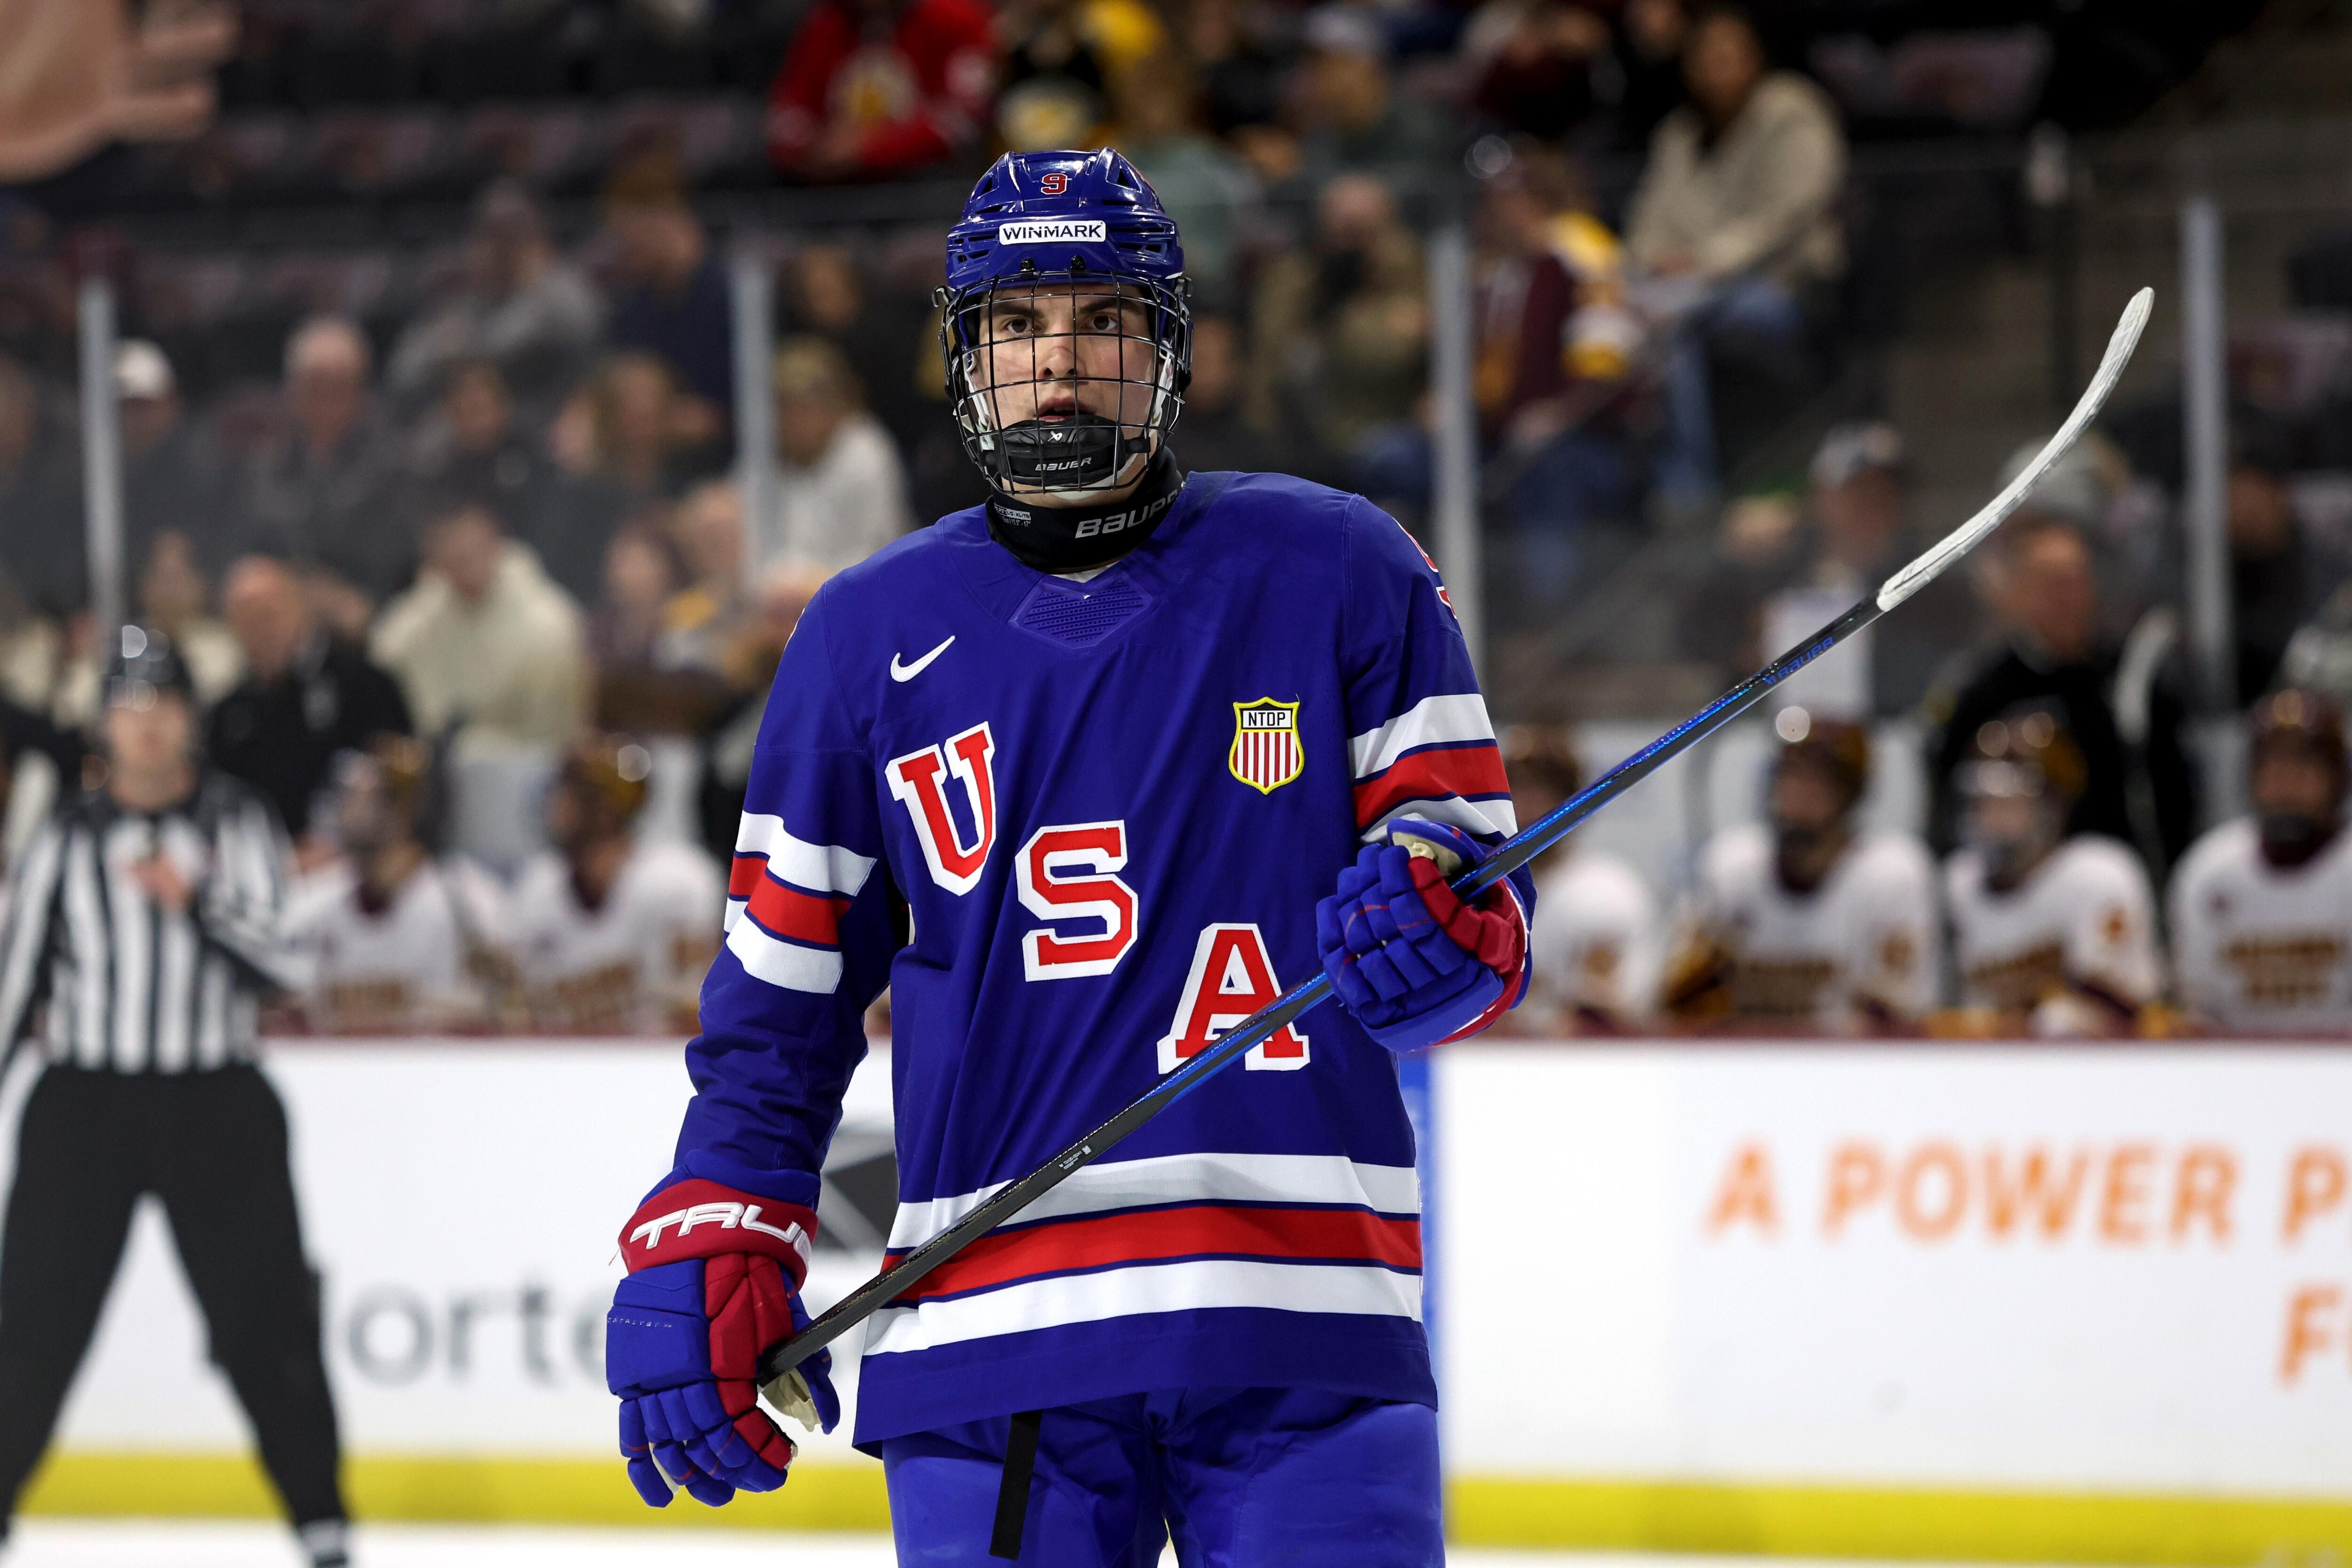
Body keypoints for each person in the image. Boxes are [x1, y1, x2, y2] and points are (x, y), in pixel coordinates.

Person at [601, 148, 1534, 1564]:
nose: (1060, 359)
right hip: (991, 1330)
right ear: (963, 357)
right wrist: (728, 1209)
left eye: (1105, 319)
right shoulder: (860, 634)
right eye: (1016, 323)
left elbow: (1476, 901)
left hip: (1302, 1315)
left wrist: (1438, 935)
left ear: (1169, 350)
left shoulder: (1347, 569)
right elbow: (781, 1003)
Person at [0, 629, 347, 1568]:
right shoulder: (65, 834)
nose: (145, 723)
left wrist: (195, 901)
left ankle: (321, 1519)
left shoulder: (237, 820)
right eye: (127, 703)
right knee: (35, 1322)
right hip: (85, 1104)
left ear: (190, 717)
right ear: (103, 722)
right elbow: (15, 978)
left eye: (162, 703)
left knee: (266, 1319)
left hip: (216, 1103)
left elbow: (287, 964)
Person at [1624, 2, 1845, 513]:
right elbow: (1648, 220)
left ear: (1755, 57)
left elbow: (1789, 213)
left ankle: (1689, 492)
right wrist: (1646, 264)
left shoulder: (1791, 110)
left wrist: (1703, 262)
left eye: (1729, 55)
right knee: (1627, 322)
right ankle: (1665, 484)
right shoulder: (1679, 133)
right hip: (1690, 291)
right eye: (1705, 57)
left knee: (1676, 333)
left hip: (1785, 283)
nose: (1716, 68)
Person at [1924, 509, 2197, 876]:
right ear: (2016, 593)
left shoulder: (2133, 682)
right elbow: (1947, 807)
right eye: (2052, 584)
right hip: (2009, 888)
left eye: (2078, 581)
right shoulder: (1978, 694)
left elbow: (2173, 798)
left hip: (2116, 880)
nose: (2069, 598)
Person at [1662, 710, 1938, 1031]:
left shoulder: (1889, 875)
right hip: (1746, 1056)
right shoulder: (1732, 867)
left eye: (1814, 779)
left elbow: (1901, 1016)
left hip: (1849, 1059)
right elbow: (1674, 1002)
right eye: (1787, 774)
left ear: (1850, 793)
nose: (1794, 793)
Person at [1944, 705, 2162, 1037]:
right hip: (1982, 1062)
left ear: (2053, 804)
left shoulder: (2098, 876)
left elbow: (2122, 1012)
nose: (1989, 817)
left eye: (2007, 800)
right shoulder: (1957, 883)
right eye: (1981, 801)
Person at [497, 732, 722, 1034]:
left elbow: (695, 1013)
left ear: (604, 809)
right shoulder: (538, 885)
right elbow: (511, 1010)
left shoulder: (678, 882)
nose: (553, 806)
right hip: (558, 1059)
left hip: (654, 1060)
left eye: (567, 793)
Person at [289, 735, 500, 1035]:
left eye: (358, 794)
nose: (343, 807)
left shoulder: (467, 903)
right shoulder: (314, 900)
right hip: (339, 1062)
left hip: (436, 1060)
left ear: (401, 809)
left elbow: (503, 1008)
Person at [2169, 689, 2352, 1032]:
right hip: (2236, 1061)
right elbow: (2199, 1011)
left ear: (2338, 778)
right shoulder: (2209, 872)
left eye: (2304, 768)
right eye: (2274, 769)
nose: (2286, 787)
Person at [209, 555, 414, 846]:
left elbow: (404, 774)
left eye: (269, 615)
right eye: (246, 621)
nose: (261, 631)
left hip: (358, 855)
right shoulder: (228, 715)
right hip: (263, 856)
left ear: (300, 610)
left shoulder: (361, 683)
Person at [371, 501, 589, 752]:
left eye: (473, 554)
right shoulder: (434, 600)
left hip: (526, 749)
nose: (469, 568)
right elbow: (386, 649)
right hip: (446, 746)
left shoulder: (544, 617)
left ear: (494, 546)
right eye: (455, 559)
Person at [236, 316, 418, 612]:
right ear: (292, 391)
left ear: (361, 392)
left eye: (339, 387)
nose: (326, 402)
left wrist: (348, 597)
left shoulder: (393, 463)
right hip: (286, 606)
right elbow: (250, 544)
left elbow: (397, 560)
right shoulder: (267, 463)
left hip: (374, 609)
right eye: (314, 387)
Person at [386, 179, 602, 414]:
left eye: (513, 233)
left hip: (548, 418)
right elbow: (405, 369)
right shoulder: (469, 300)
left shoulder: (560, 290)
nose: (500, 247)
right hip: (476, 426)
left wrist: (453, 348)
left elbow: (506, 344)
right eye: (491, 233)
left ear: (538, 234)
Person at [1503, 724, 1659, 1031]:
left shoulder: (1604, 892)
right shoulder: (1477, 892)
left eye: (1541, 791)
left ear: (1572, 804)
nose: (1525, 806)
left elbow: (1605, 1022)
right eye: (1513, 790)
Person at [765, 0, 996, 182]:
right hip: (830, 192)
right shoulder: (825, 24)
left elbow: (964, 119)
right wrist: (814, 147)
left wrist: (871, 147)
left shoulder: (956, 19)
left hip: (929, 189)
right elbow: (787, 116)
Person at [600, 160, 734, 433]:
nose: (624, 251)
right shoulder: (634, 311)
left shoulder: (731, 296)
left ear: (664, 218)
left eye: (629, 239)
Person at [769, 337, 912, 571]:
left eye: (805, 408)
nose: (793, 421)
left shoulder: (866, 453)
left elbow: (875, 551)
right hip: (783, 586)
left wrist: (805, 581)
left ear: (834, 405)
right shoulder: (765, 458)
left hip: (865, 582)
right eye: (784, 409)